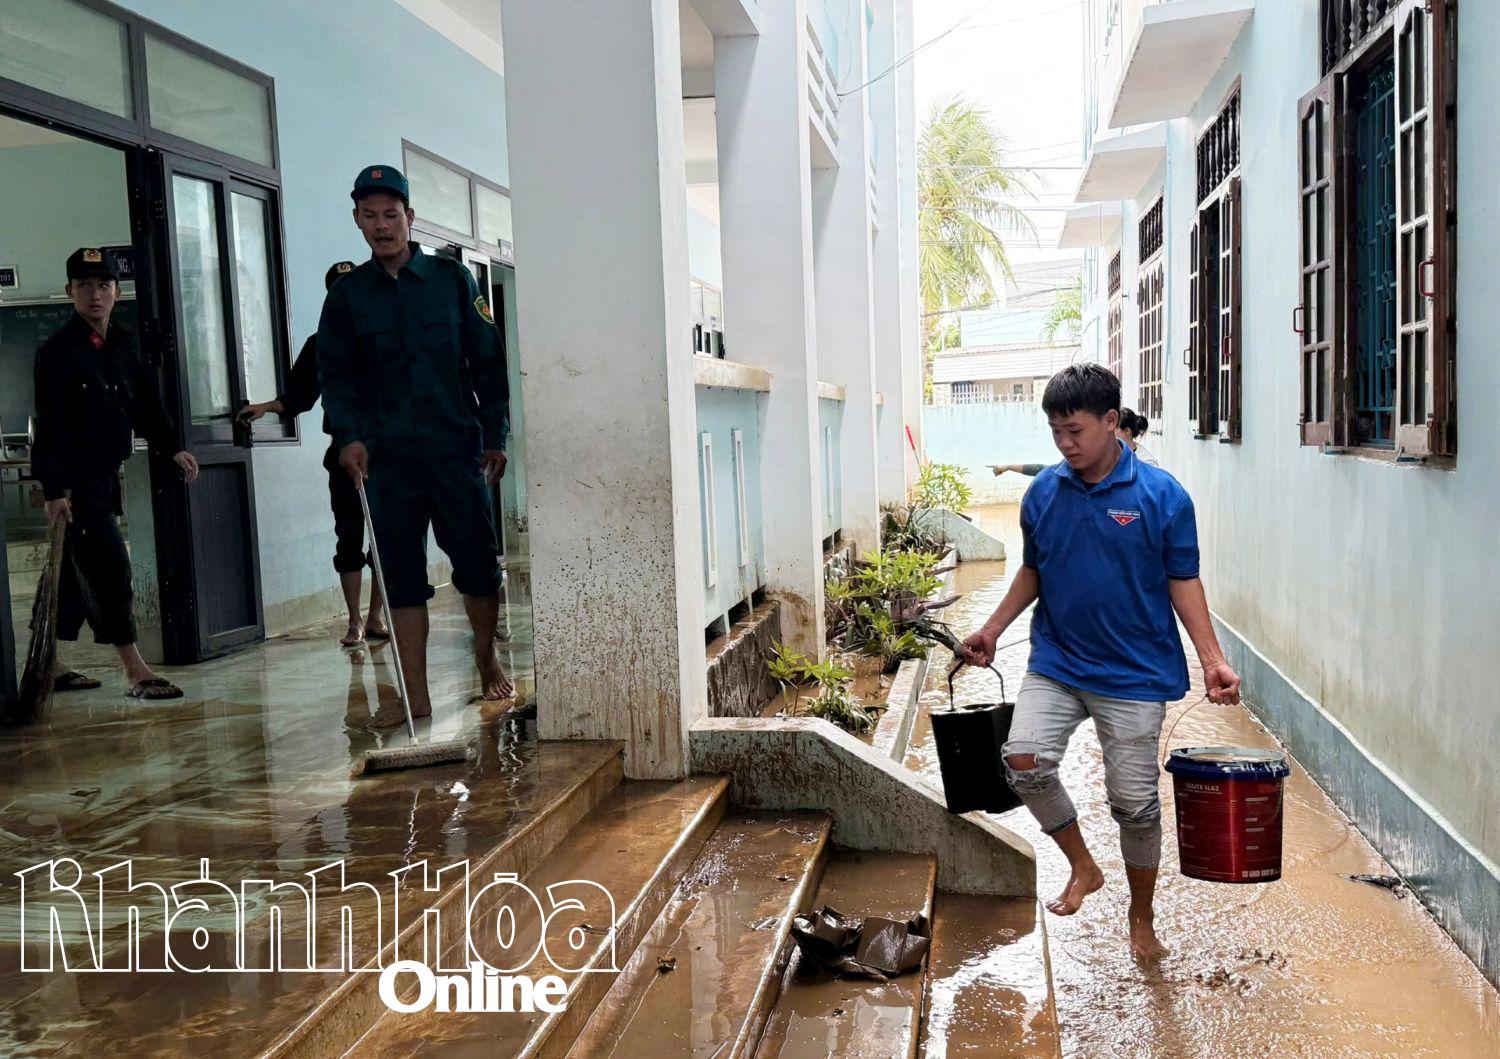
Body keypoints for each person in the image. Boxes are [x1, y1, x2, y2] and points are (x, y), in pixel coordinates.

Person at [961, 363, 1240, 961]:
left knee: (1134, 805)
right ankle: (1083, 867)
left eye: (1075, 430)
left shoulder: (1162, 497)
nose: (1065, 444)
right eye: (1056, 432)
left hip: (1135, 675)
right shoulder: (1042, 493)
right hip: (1058, 662)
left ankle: (1141, 916)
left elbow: (1183, 582)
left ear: (1112, 422)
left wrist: (1212, 659)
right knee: (1023, 760)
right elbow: (1034, 570)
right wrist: (991, 628)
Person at [317, 165, 513, 722]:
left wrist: (494, 433)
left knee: (477, 566)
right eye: (370, 215)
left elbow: (486, 361)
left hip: (455, 452)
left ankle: (486, 661)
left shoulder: (453, 281)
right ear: (357, 220)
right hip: (387, 462)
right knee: (401, 577)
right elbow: (337, 376)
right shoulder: (347, 298)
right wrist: (347, 436)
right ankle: (417, 697)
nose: (382, 226)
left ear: (410, 217)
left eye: (391, 214)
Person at [31, 247, 200, 700]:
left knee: (69, 573)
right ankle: (135, 670)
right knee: (110, 568)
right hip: (74, 481)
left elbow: (145, 404)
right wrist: (52, 489)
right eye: (84, 286)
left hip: (106, 475)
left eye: (103, 285)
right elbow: (46, 427)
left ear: (117, 291)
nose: (94, 294)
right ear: (69, 292)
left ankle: (49, 663)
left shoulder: (122, 345)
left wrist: (172, 448)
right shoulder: (57, 353)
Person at [238, 261, 389, 647]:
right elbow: (298, 397)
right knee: (349, 535)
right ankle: (354, 621)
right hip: (342, 456)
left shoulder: (383, 334)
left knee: (386, 536)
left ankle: (376, 617)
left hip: (387, 454)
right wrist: (267, 407)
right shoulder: (320, 342)